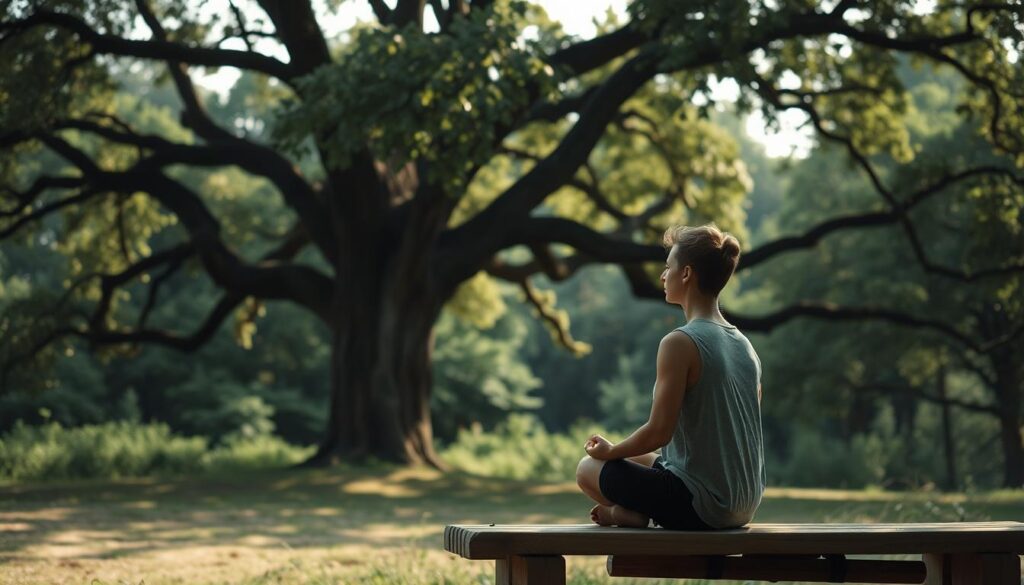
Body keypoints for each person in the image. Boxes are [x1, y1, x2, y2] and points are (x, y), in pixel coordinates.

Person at [575, 223, 765, 530]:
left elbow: (659, 433)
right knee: (641, 459)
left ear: (686, 274)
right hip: (744, 505)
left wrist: (611, 451)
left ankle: (625, 514)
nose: (663, 276)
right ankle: (633, 511)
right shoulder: (745, 346)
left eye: (668, 267)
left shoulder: (680, 342)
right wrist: (620, 451)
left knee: (587, 468)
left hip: (701, 508)